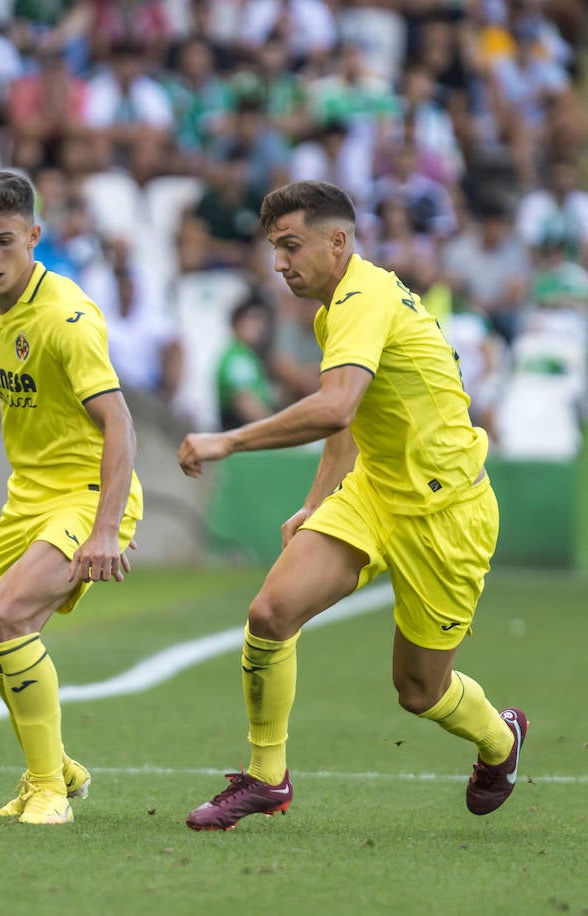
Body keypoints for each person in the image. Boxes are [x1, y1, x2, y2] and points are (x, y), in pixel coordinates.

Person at [177, 180, 523, 831]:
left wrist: (228, 439)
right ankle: (265, 778)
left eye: (291, 245)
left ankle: (501, 743)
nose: (279, 263)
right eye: (274, 248)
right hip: (374, 491)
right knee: (271, 613)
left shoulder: (363, 298)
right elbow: (350, 420)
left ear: (338, 242)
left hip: (448, 513)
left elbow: (334, 406)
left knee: (420, 691)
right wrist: (317, 502)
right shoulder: (333, 306)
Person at [0, 171, 143, 825]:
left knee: (9, 617)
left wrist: (102, 529)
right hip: (30, 495)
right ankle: (60, 767)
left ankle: (47, 789)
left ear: (34, 236)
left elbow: (120, 423)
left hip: (87, 494)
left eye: (5, 242)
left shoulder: (66, 319)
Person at [216, 298, 275, 430]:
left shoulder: (250, 358)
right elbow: (245, 404)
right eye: (253, 319)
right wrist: (283, 430)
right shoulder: (237, 358)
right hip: (243, 444)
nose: (260, 327)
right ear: (236, 322)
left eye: (264, 321)